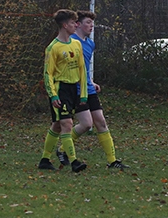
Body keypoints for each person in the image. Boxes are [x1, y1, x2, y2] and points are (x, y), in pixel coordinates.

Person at [55, 10, 129, 170]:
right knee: (86, 124)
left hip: (88, 89)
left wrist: (91, 81)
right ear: (78, 24)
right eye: (88, 22)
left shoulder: (90, 43)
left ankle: (112, 161)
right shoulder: (71, 41)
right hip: (76, 90)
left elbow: (84, 67)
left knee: (101, 122)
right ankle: (61, 150)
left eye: (92, 23)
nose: (91, 25)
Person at [38, 9, 88, 173]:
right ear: (65, 25)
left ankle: (45, 159)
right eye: (73, 23)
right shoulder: (53, 48)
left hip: (73, 89)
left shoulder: (77, 44)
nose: (76, 25)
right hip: (60, 89)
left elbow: (82, 69)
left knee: (57, 126)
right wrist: (53, 95)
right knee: (67, 124)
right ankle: (74, 161)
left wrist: (83, 94)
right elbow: (48, 73)